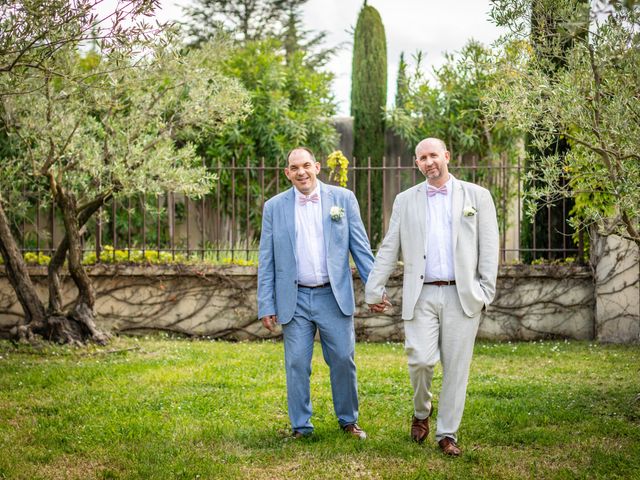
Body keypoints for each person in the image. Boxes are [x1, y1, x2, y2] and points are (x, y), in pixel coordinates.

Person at [365, 137, 499, 456]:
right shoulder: (405, 200)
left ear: (447, 156)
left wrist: (485, 292)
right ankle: (422, 411)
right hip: (421, 295)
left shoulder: (477, 196)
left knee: (456, 368)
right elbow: (389, 247)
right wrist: (373, 288)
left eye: (433, 155)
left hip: (463, 295)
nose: (429, 162)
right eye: (422, 158)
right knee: (421, 360)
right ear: (417, 163)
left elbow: (490, 247)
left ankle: (447, 434)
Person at [258, 146, 380, 440]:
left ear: (317, 167)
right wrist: (266, 303)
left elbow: (360, 248)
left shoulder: (343, 199)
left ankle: (348, 421)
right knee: (297, 363)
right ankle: (301, 426)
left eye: (306, 165)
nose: (301, 172)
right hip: (294, 298)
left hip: (333, 296)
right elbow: (267, 258)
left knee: (342, 359)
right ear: (287, 173)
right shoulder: (274, 207)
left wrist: (376, 289)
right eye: (294, 168)